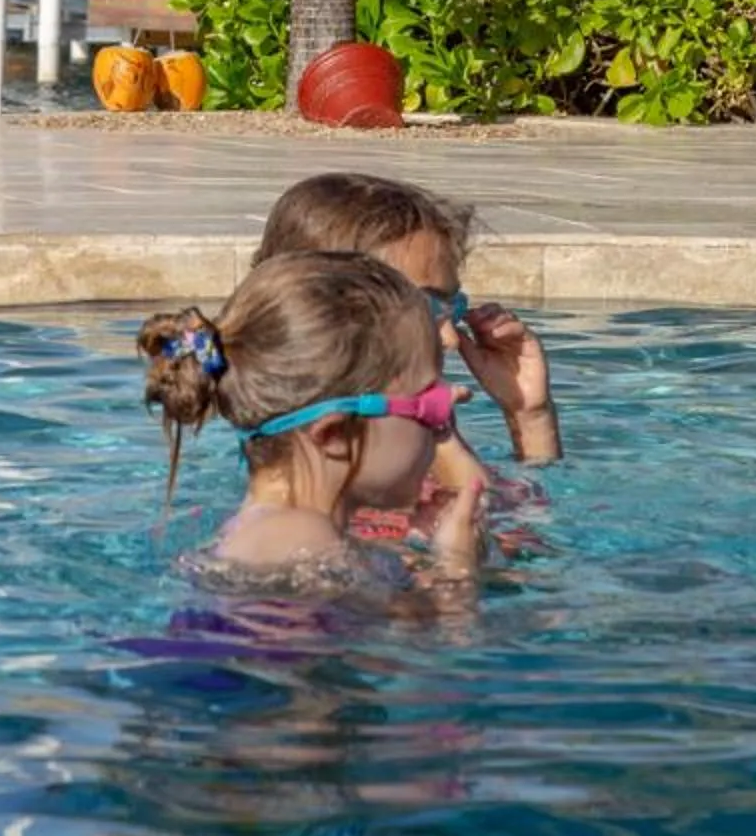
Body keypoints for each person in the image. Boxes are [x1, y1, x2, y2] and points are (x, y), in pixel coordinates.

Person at [137, 250, 481, 595]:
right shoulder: (300, 539)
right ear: (334, 434)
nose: (441, 428)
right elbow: (384, 648)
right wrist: (456, 570)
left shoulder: (280, 531)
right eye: (431, 407)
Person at [256, 172, 562, 465]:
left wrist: (529, 417)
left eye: (450, 307)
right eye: (425, 308)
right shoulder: (353, 464)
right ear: (322, 314)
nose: (450, 339)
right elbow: (486, 515)